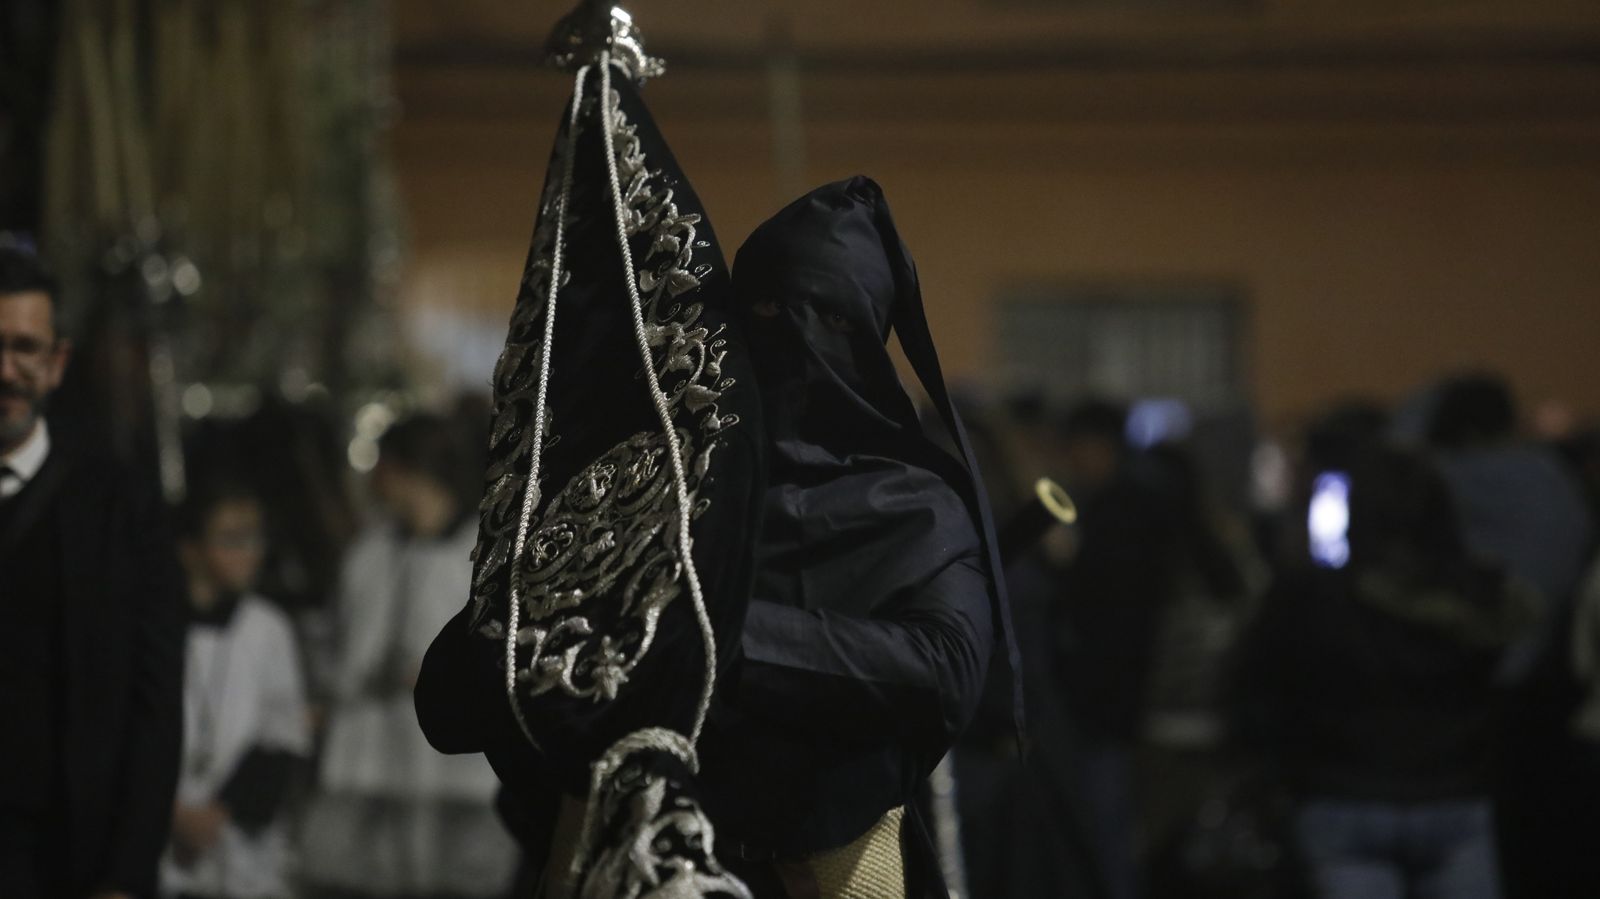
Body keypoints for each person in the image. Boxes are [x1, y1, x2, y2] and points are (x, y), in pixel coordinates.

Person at [693, 176, 1015, 897]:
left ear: (867, 333)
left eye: (831, 316)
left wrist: (721, 634)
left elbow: (946, 667)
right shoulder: (679, 481)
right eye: (769, 308)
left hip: (834, 858)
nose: (794, 335)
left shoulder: (918, 504)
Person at [1233, 446, 1534, 899]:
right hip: (1453, 795)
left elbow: (1258, 688)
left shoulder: (1312, 596)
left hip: (1342, 795)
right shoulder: (1477, 596)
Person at [0, 242, 185, 897]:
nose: (6, 370)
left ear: (56, 363)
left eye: (25, 348)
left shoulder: (121, 507)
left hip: (69, 860)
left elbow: (154, 703)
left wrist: (126, 876)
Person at [300, 414, 518, 899]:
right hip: (368, 764)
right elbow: (340, 642)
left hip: (454, 775)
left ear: (403, 470)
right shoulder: (369, 552)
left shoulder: (480, 554)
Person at [163, 477, 311, 899]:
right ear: (190, 549)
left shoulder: (268, 628)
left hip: (236, 845)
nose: (251, 552)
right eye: (232, 539)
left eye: (255, 537)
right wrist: (172, 813)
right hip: (160, 837)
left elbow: (282, 735)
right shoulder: (150, 624)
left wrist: (217, 814)